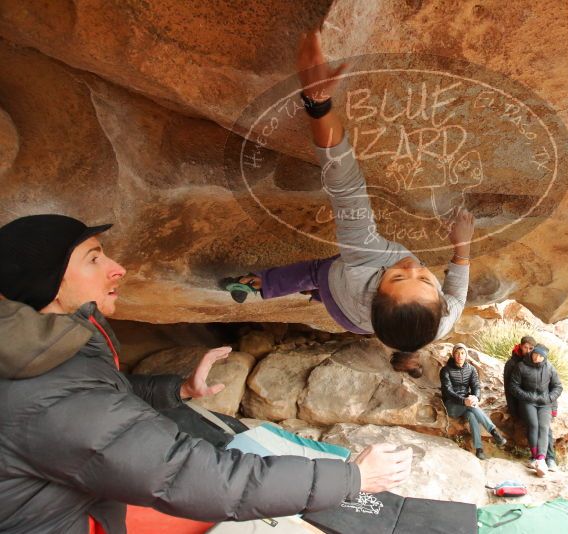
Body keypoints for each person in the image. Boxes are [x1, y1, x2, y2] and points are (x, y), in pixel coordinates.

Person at [0, 214, 412, 533]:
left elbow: (101, 396)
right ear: (50, 284)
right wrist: (352, 477)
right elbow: (191, 476)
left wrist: (177, 388)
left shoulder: (37, 354)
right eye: (94, 258)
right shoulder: (47, 393)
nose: (118, 267)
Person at [221, 31, 474, 376]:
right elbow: (457, 291)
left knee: (316, 272)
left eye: (398, 277)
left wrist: (318, 106)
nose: (412, 264)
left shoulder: (362, 262)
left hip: (342, 295)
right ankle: (286, 289)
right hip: (353, 321)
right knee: (319, 285)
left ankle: (269, 283)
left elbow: (346, 187)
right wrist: (462, 249)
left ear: (376, 289)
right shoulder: (440, 320)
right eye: (427, 280)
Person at [440, 343, 507, 459]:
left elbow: (476, 386)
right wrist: (463, 401)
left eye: (462, 353)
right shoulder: (445, 370)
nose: (460, 356)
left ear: (466, 355)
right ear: (453, 354)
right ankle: (494, 432)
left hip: (468, 404)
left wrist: (476, 397)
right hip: (452, 406)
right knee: (472, 407)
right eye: (457, 353)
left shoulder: (471, 369)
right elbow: (447, 391)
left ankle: (479, 449)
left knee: (472, 415)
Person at [504, 338, 560, 471]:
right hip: (523, 401)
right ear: (520, 347)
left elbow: (553, 386)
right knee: (533, 425)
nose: (529, 351)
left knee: (546, 428)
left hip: (542, 403)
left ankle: (549, 458)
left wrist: (553, 406)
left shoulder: (548, 366)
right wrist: (513, 410)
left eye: (531, 349)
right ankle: (537, 457)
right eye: (526, 348)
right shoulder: (514, 363)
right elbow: (509, 388)